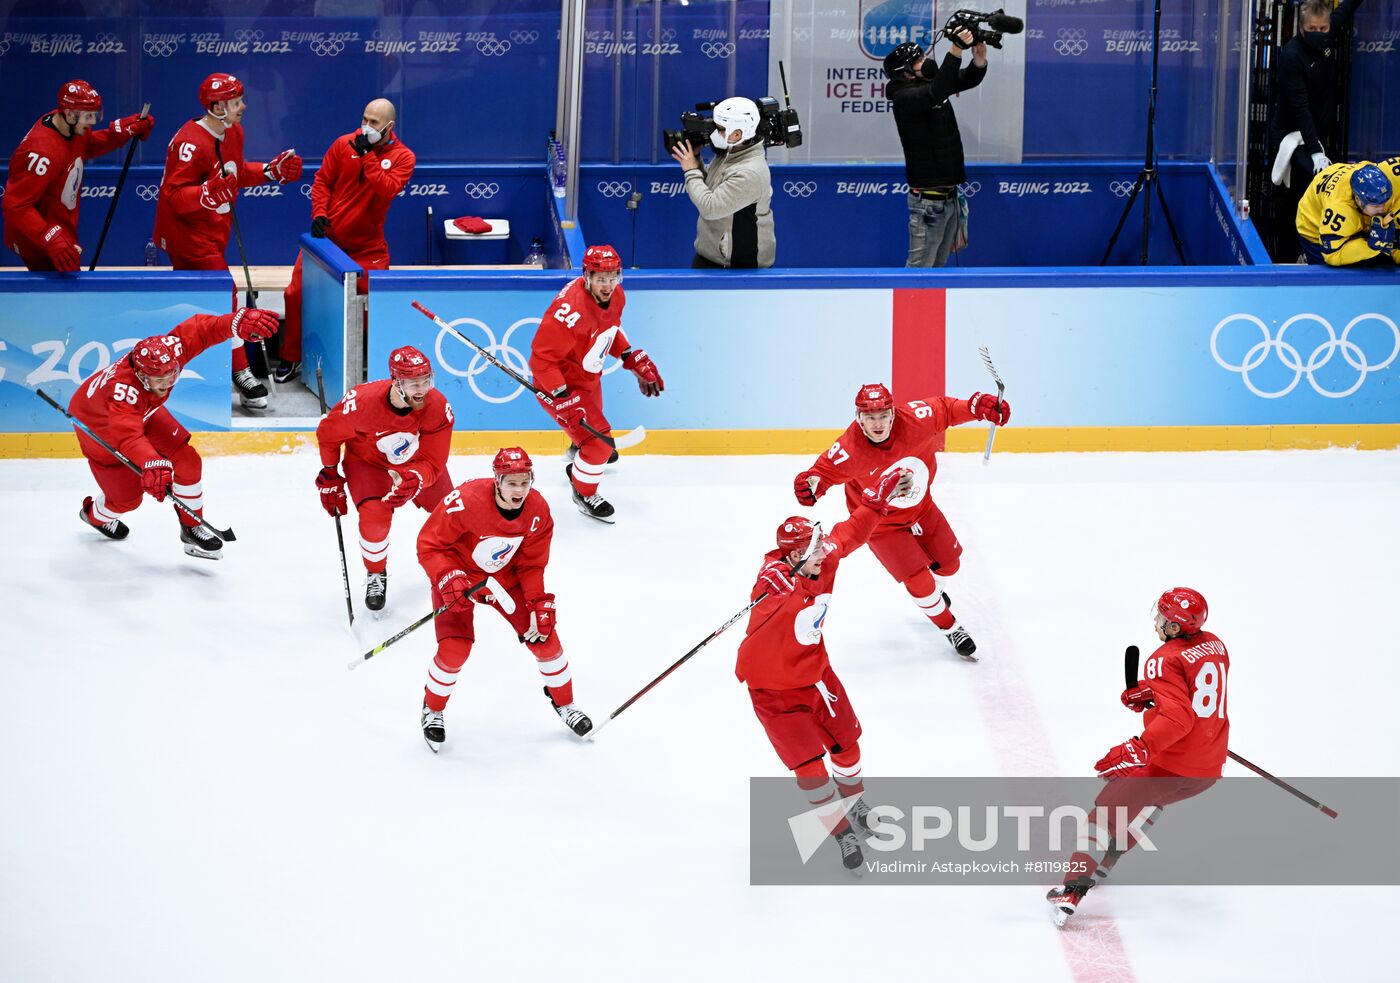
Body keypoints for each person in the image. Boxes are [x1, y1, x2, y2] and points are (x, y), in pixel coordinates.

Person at [737, 470, 908, 871]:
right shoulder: (773, 583)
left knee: (848, 746)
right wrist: (769, 579)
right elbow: (764, 590)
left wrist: (875, 503)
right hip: (773, 693)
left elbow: (850, 533)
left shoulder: (823, 558)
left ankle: (854, 801)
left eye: (818, 545)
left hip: (818, 678)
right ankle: (841, 832)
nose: (821, 552)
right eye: (811, 549)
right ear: (792, 557)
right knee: (810, 770)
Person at [1048, 587, 1229, 926]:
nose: (1157, 621)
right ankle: (1105, 863)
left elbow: (1179, 719)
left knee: (1105, 813)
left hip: (1171, 765)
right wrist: (1153, 692)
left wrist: (1139, 747)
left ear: (1174, 627)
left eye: (1163, 617)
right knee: (1150, 801)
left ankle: (1072, 889)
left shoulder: (1163, 658)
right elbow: (1193, 696)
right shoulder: (1215, 645)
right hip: (1208, 768)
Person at [792, 383, 1010, 660]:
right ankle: (950, 627)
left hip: (922, 509)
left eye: (883, 415)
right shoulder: (848, 449)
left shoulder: (916, 419)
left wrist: (977, 406)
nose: (878, 424)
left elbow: (947, 409)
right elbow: (820, 475)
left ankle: (933, 597)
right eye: (870, 417)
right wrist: (809, 486)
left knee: (950, 565)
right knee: (918, 580)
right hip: (880, 526)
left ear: (893, 414)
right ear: (859, 418)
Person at [415, 447, 591, 751]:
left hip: (505, 581)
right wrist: (446, 576)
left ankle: (565, 704)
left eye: (524, 482)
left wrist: (536, 602)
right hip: (459, 579)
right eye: (511, 483)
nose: (519, 490)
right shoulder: (466, 500)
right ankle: (432, 709)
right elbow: (429, 545)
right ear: (497, 481)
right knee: (455, 649)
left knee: (545, 638)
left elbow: (532, 564)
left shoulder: (538, 511)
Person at [69, 307, 278, 559]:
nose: (168, 382)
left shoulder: (168, 354)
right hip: (98, 426)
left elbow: (201, 329)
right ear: (141, 376)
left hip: (141, 413)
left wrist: (235, 322)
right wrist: (151, 461)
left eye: (172, 375)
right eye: (160, 380)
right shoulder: (123, 392)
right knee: (127, 500)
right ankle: (94, 516)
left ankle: (191, 527)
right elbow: (127, 436)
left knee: (187, 460)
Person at [153, 72, 302, 409]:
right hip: (188, 235)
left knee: (200, 303)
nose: (243, 106)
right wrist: (204, 194)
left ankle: (180, 365)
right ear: (217, 107)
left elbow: (235, 172)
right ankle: (239, 370)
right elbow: (174, 196)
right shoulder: (190, 144)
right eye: (236, 102)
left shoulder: (234, 131)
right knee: (225, 294)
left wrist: (269, 172)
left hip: (212, 230)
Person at [276, 98, 415, 385]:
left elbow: (387, 189)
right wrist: (319, 213)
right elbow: (323, 181)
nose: (366, 127)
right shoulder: (343, 144)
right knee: (295, 294)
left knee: (377, 304)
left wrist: (367, 156)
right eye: (364, 119)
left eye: (374, 122)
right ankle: (291, 356)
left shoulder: (404, 157)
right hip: (328, 243)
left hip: (368, 248)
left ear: (389, 126)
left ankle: (376, 362)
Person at [529, 243, 664, 523]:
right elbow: (541, 360)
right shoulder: (568, 312)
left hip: (589, 376)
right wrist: (562, 398)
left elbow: (608, 331)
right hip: (560, 385)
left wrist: (631, 358)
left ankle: (580, 453)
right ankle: (584, 492)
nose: (608, 285)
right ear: (586, 276)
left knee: (593, 440)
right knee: (600, 446)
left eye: (613, 277)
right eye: (601, 278)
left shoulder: (616, 296)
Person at [314, 346, 455, 613]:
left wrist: (416, 477)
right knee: (374, 517)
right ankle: (376, 573)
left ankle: (463, 560)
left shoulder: (437, 406)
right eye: (414, 383)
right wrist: (330, 475)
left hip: (416, 463)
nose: (422, 389)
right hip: (369, 464)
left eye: (426, 380)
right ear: (396, 382)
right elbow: (328, 437)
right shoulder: (359, 404)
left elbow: (434, 460)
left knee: (452, 511)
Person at [3, 80, 154, 271]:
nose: (92, 122)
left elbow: (85, 146)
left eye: (95, 114)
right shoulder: (40, 152)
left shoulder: (68, 125)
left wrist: (118, 135)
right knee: (63, 284)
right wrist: (49, 237)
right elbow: (16, 205)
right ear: (69, 114)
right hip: (40, 239)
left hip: (58, 227)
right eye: (88, 116)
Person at [1267, 0, 1367, 260]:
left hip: (1319, 135)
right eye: (1312, 29)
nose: (1319, 33)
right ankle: (1287, 257)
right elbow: (1300, 108)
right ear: (1301, 27)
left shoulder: (1329, 32)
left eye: (1323, 28)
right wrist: (1314, 152)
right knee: (1296, 195)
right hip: (1291, 136)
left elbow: (1345, 9)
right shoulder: (1291, 56)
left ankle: (1313, 250)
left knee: (1321, 192)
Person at [884, 30, 987, 267]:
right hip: (928, 204)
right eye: (918, 60)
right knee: (919, 269)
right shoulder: (904, 98)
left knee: (938, 268)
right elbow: (936, 92)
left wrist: (979, 58)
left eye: (923, 55)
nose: (926, 61)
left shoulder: (929, 85)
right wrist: (955, 50)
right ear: (906, 72)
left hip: (950, 198)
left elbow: (966, 79)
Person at [669, 97, 776, 269]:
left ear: (737, 134)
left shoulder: (749, 173)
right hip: (710, 257)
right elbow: (710, 188)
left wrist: (690, 171)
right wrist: (696, 161)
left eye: (720, 129)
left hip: (739, 267)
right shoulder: (730, 153)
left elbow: (710, 207)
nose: (714, 134)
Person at [1295, 159, 1399, 267]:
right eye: (1376, 205)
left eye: (1385, 201)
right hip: (1313, 225)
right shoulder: (1339, 210)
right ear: (1358, 200)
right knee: (1332, 274)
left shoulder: (1384, 176)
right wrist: (1371, 247)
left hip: (1336, 183)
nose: (1383, 208)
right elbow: (1332, 255)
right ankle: (1306, 258)